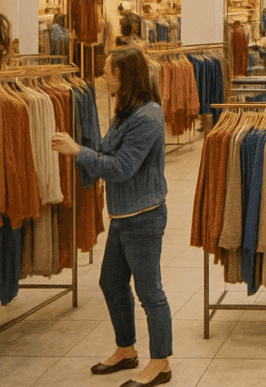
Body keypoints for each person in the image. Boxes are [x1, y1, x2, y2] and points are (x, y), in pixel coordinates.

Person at [50, 46, 173, 387]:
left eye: (107, 71)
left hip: (144, 217)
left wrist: (79, 151)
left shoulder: (148, 116)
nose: (102, 77)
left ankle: (161, 363)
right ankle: (127, 350)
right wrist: (83, 150)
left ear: (122, 76)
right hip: (123, 215)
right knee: (111, 282)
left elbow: (121, 167)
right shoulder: (125, 112)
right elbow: (109, 153)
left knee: (150, 292)